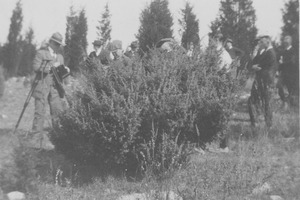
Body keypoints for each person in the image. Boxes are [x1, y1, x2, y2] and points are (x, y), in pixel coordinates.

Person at [30, 32, 69, 149]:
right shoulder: (41, 53)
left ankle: (57, 137)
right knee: (39, 112)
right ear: (51, 42)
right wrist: (51, 67)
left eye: (59, 45)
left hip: (55, 88)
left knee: (56, 112)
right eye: (56, 44)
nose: (58, 46)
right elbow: (36, 67)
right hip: (42, 86)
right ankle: (36, 138)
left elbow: (61, 74)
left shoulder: (60, 57)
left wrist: (66, 71)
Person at [248, 35, 277, 128]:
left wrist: (256, 67)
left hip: (266, 81)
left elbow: (262, 66)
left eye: (261, 42)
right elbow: (253, 63)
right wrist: (254, 65)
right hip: (261, 80)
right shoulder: (263, 52)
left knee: (267, 102)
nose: (259, 43)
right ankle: (257, 122)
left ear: (267, 42)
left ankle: (267, 125)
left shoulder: (271, 52)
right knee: (256, 100)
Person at [277, 35, 298, 109]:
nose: (285, 41)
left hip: (291, 74)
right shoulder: (283, 51)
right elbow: (280, 63)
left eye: (287, 40)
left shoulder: (293, 50)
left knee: (290, 90)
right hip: (283, 73)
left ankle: (290, 105)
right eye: (284, 40)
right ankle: (285, 102)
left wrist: (283, 62)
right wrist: (278, 70)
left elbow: (292, 62)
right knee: (279, 86)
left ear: (290, 41)